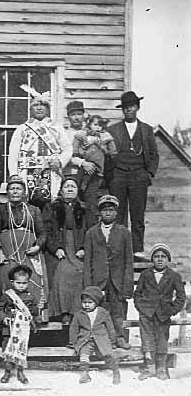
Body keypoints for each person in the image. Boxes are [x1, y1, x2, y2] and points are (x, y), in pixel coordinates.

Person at [106, 91, 159, 259]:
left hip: (139, 176)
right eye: (125, 107)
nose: (128, 110)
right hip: (118, 175)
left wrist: (148, 173)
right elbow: (106, 154)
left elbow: (154, 155)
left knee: (138, 214)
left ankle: (137, 249)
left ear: (137, 107)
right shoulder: (112, 130)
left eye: (131, 106)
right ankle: (119, 249)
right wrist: (111, 175)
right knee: (118, 213)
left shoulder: (146, 129)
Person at [0, 176, 48, 316]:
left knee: (33, 278)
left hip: (28, 251)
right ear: (7, 192)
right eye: (11, 189)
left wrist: (37, 247)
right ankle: (5, 314)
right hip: (8, 250)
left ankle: (34, 313)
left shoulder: (34, 210)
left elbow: (42, 234)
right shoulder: (0, 210)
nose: (15, 192)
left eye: (18, 189)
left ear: (24, 192)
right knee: (7, 276)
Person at [42, 177, 96, 324]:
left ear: (77, 191)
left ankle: (76, 311)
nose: (70, 189)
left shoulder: (85, 209)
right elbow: (46, 231)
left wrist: (85, 248)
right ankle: (63, 311)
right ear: (61, 190)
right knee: (62, 272)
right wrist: (56, 248)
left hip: (78, 247)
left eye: (73, 186)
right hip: (60, 247)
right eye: (67, 187)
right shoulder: (51, 208)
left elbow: (92, 231)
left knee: (79, 272)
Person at [8, 88, 72, 208]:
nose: (39, 108)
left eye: (43, 105)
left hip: (50, 171)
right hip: (27, 171)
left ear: (47, 109)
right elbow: (13, 153)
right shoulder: (22, 129)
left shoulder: (56, 128)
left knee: (50, 204)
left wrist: (60, 161)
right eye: (35, 105)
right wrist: (13, 174)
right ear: (30, 108)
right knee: (28, 204)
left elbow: (68, 148)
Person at [83, 195, 133, 349]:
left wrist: (127, 285)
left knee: (118, 310)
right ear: (100, 213)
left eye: (111, 210)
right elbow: (87, 261)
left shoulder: (124, 232)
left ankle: (119, 337)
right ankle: (102, 339)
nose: (108, 213)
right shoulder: (91, 233)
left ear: (116, 213)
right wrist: (88, 286)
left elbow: (128, 260)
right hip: (99, 279)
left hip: (117, 279)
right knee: (100, 311)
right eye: (105, 210)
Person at [134, 243, 185, 380]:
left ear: (167, 259)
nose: (160, 259)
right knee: (147, 339)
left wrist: (172, 310)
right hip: (147, 313)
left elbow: (181, 297)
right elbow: (137, 294)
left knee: (162, 339)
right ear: (152, 259)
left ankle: (161, 367)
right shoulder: (146, 274)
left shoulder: (174, 276)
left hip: (163, 314)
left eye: (163, 256)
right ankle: (149, 367)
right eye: (157, 256)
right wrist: (141, 307)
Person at [0, 265, 39, 385]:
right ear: (13, 282)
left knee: (21, 350)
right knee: (7, 350)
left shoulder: (31, 296)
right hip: (9, 329)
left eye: (24, 283)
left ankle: (20, 372)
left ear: (28, 282)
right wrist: (4, 318)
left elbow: (34, 312)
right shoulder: (7, 295)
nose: (22, 285)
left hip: (23, 330)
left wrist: (36, 308)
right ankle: (7, 372)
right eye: (19, 283)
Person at [69, 286, 121, 385]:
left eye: (90, 303)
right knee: (84, 355)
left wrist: (112, 341)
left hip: (101, 339)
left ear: (96, 303)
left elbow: (110, 327)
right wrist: (73, 341)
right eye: (84, 303)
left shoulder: (103, 313)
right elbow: (73, 328)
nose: (87, 305)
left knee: (107, 354)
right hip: (86, 340)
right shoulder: (79, 314)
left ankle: (116, 372)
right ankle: (84, 374)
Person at [72, 115, 117, 207]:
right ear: (89, 124)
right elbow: (76, 144)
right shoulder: (83, 133)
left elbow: (111, 149)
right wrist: (76, 152)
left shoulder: (104, 136)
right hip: (85, 162)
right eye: (95, 124)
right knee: (83, 176)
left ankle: (84, 189)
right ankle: (81, 188)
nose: (98, 127)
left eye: (100, 125)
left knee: (94, 180)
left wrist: (101, 143)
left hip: (98, 163)